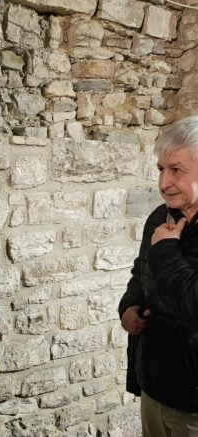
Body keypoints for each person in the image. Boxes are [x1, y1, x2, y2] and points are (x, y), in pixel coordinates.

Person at [119, 115, 198, 437]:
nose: (164, 182)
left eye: (176, 170)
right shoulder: (160, 216)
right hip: (155, 385)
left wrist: (166, 249)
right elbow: (142, 272)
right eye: (161, 170)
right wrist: (129, 306)